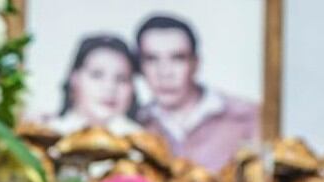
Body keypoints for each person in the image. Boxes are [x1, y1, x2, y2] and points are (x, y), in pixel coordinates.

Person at [135, 13, 260, 171]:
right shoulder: (135, 123)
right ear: (140, 66)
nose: (165, 73)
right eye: (151, 59)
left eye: (178, 58)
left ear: (196, 63)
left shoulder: (247, 117)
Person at [53, 34, 141, 135]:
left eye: (121, 79)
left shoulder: (145, 140)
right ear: (74, 78)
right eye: (97, 75)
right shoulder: (47, 134)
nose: (110, 88)